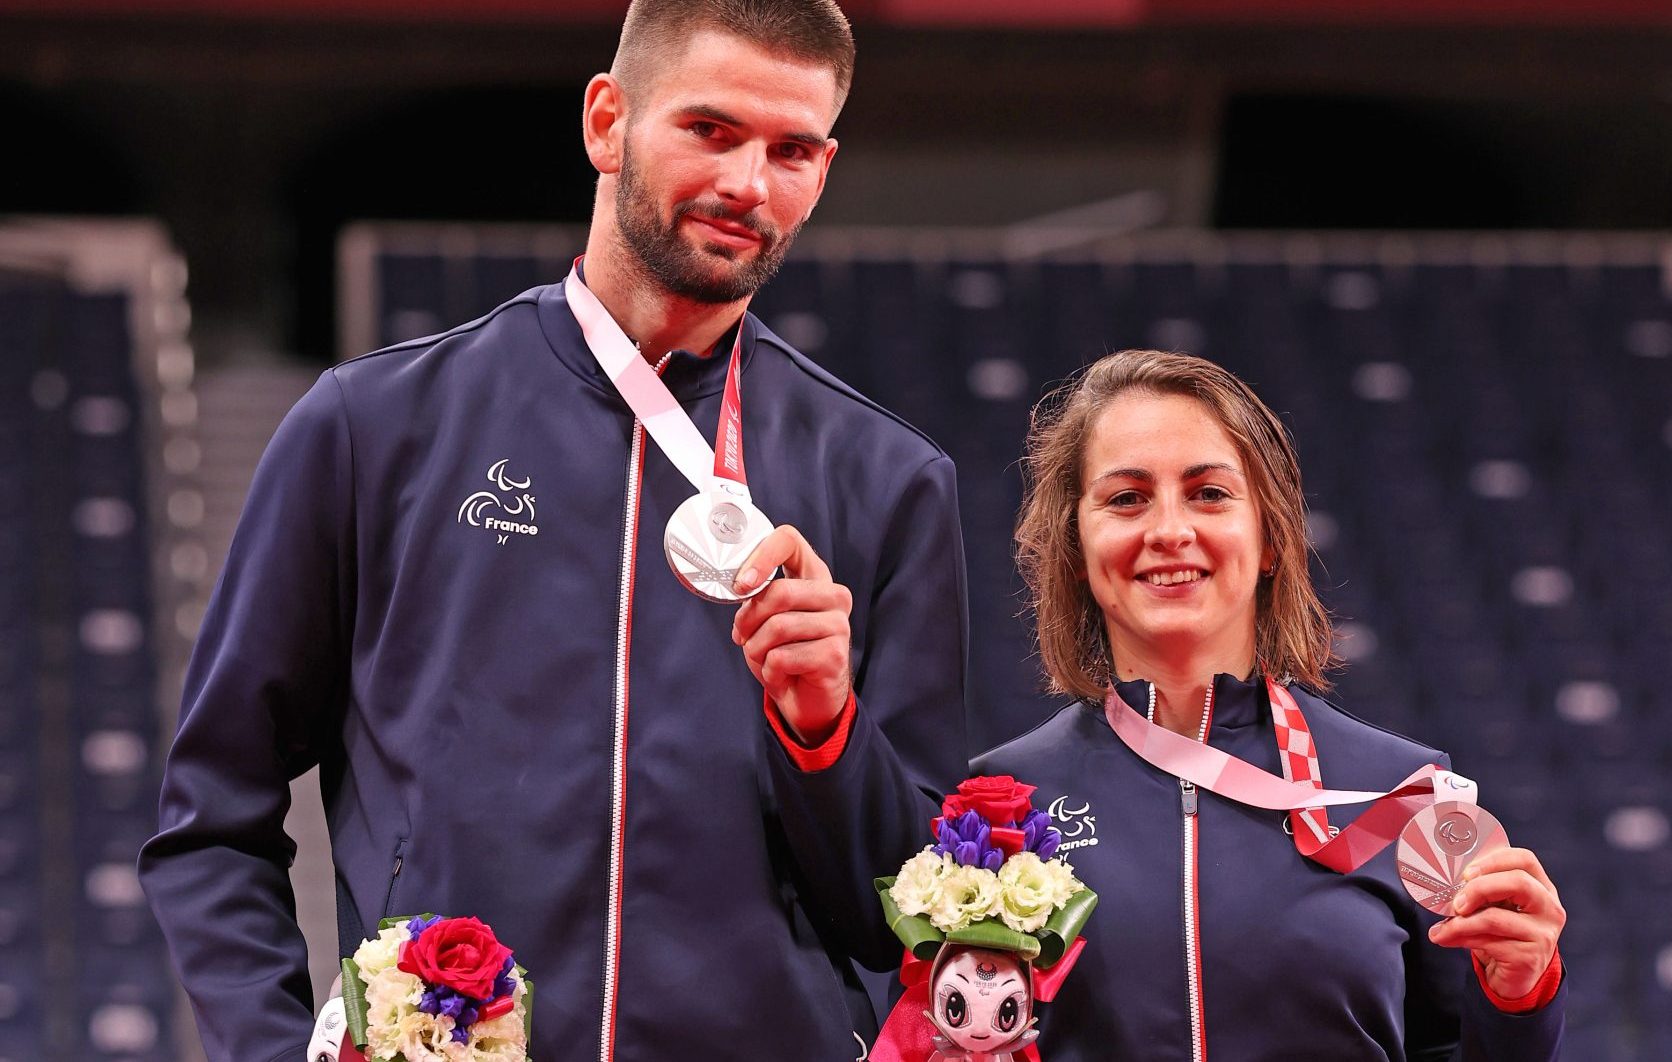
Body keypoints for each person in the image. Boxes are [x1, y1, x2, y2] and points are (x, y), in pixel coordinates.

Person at [138, 3, 968, 1060]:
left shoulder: (888, 480)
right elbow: (212, 819)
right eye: (710, 130)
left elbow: (920, 923)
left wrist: (825, 734)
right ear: (607, 121)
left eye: (792, 150)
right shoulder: (374, 429)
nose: (750, 185)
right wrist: (270, 1048)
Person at [974, 349, 1567, 1061]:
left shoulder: (1408, 797)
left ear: (1271, 539)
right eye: (1126, 498)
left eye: (1209, 494)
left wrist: (1517, 997)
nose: (1168, 530)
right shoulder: (996, 809)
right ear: (1075, 543)